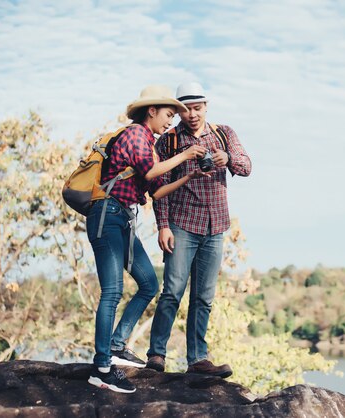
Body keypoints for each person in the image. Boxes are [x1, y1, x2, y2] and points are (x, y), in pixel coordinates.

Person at [86, 85, 208, 393]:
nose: (170, 122)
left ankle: (115, 346)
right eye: (168, 115)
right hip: (107, 216)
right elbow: (153, 171)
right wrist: (186, 154)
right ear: (151, 110)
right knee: (112, 292)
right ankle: (101, 368)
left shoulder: (147, 142)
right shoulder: (135, 135)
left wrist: (189, 177)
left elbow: (155, 191)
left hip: (123, 219)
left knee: (149, 284)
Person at [146, 82, 252, 377]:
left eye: (198, 108)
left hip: (216, 225)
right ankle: (156, 355)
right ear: (179, 110)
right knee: (173, 292)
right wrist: (162, 226)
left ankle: (198, 360)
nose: (192, 114)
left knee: (203, 296)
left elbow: (247, 166)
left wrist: (227, 159)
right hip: (181, 224)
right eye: (186, 109)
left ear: (206, 106)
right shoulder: (167, 142)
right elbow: (158, 187)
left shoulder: (223, 134)